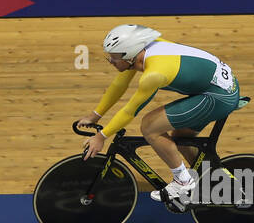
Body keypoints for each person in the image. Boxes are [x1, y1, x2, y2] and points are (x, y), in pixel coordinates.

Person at [78, 24, 243, 204]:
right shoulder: (144, 51)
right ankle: (213, 181)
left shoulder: (154, 73)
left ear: (130, 54)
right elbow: (119, 85)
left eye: (114, 57)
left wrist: (102, 136)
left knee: (150, 126)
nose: (111, 61)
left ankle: (183, 182)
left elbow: (130, 110)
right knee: (180, 139)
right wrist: (96, 115)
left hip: (218, 97)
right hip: (217, 88)